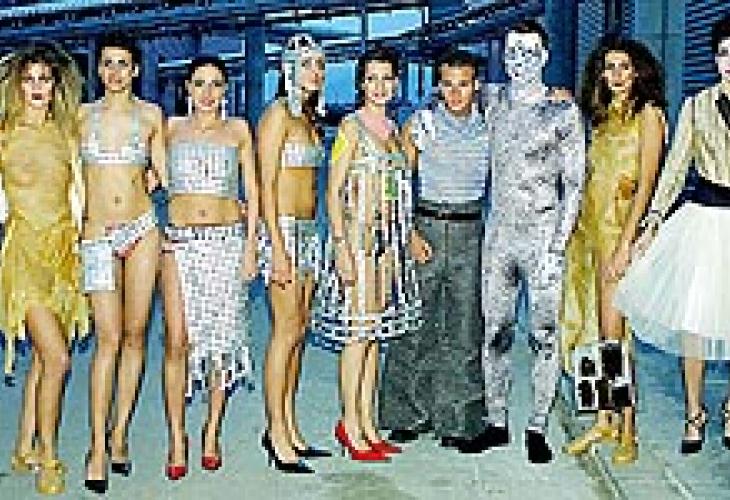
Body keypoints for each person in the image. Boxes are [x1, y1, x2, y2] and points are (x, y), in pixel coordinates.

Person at [614, 14, 730, 455]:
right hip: (705, 223)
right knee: (695, 324)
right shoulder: (697, 106)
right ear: (715, 59)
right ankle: (694, 413)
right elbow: (675, 169)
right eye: (723, 53)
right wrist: (652, 223)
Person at [477, 20, 586, 463]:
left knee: (544, 335)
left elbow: (574, 184)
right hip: (499, 234)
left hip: (542, 235)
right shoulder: (492, 100)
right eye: (512, 52)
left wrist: (558, 245)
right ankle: (496, 420)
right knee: (495, 332)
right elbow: (448, 94)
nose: (519, 60)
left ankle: (538, 424)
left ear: (544, 56)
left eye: (528, 52)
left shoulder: (561, 113)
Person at [311, 45, 421, 462]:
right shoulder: (351, 128)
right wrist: (340, 246)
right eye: (371, 78)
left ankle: (369, 424)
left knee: (375, 336)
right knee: (357, 336)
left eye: (386, 78)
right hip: (357, 242)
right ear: (361, 83)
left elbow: (401, 185)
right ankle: (350, 426)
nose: (379, 86)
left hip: (387, 245)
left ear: (396, 82)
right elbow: (333, 190)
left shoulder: (393, 131)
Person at [561, 36, 666, 465]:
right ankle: (602, 418)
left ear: (639, 71)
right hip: (588, 233)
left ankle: (628, 429)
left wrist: (626, 244)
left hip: (619, 235)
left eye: (625, 67)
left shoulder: (649, 115)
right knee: (594, 330)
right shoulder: (602, 117)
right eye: (609, 68)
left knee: (616, 336)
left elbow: (647, 185)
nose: (617, 75)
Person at [378, 49, 489, 451]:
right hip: (425, 227)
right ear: (438, 86)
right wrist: (407, 230)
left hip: (469, 230)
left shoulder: (491, 124)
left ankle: (459, 419)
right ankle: (407, 415)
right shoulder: (421, 123)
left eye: (464, 84)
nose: (455, 93)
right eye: (448, 84)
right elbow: (397, 180)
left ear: (476, 86)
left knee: (464, 327)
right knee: (414, 323)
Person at [161, 55, 258, 480]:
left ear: (225, 90)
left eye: (215, 84)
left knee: (221, 342)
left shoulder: (238, 130)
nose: (207, 93)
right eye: (199, 83)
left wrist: (252, 246)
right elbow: (143, 178)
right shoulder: (168, 129)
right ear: (187, 88)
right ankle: (176, 436)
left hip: (226, 244)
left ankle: (212, 430)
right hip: (178, 245)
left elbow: (254, 192)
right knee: (177, 341)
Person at [0, 42, 88, 495]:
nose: (37, 87)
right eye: (29, 79)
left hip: (64, 256)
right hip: (23, 257)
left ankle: (22, 447)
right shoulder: (3, 135)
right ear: (17, 86)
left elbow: (82, 194)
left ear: (56, 86)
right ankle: (48, 456)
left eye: (44, 79)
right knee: (58, 358)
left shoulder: (67, 133)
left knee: (41, 357)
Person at [81, 32, 165, 493]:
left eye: (122, 64)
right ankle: (96, 445)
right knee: (108, 339)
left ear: (135, 70)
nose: (114, 72)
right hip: (96, 234)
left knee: (135, 335)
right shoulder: (80, 117)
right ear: (98, 70)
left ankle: (119, 435)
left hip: (142, 230)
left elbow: (165, 173)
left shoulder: (151, 116)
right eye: (107, 63)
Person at [258, 34, 327, 474]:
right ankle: (275, 431)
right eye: (307, 65)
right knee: (284, 332)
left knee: (300, 330)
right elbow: (265, 185)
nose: (315, 72)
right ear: (289, 69)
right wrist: (277, 248)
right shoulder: (277, 116)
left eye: (320, 65)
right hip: (281, 231)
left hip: (308, 232)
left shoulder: (309, 119)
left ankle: (290, 422)